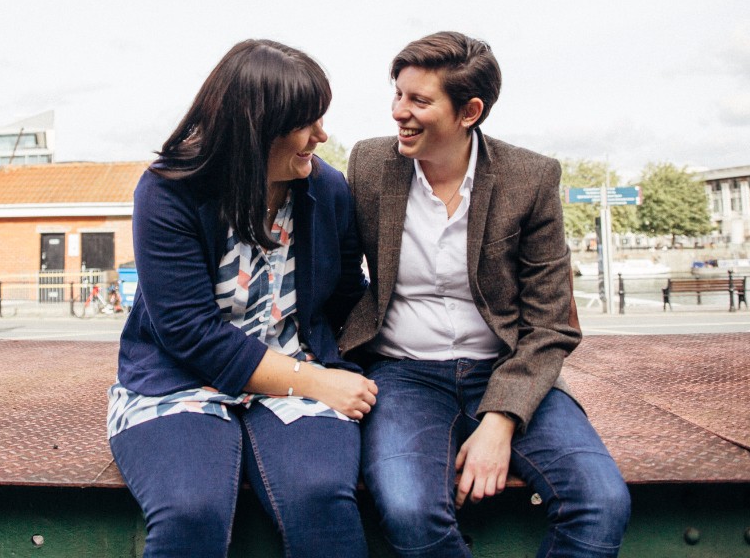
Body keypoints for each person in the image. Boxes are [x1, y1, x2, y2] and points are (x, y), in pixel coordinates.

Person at [339, 32, 631, 558]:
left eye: (419, 101)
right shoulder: (367, 165)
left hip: (506, 366)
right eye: (398, 94)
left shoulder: (530, 177)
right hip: (403, 374)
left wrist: (501, 420)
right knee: (408, 511)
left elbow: (551, 322)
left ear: (469, 111)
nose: (398, 112)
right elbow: (337, 276)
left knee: (602, 504)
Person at [107, 39, 375, 558]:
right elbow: (187, 332)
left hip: (301, 369)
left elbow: (348, 297)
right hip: (181, 379)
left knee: (322, 501)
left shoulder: (327, 190)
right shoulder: (168, 191)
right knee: (191, 511)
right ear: (255, 129)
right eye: (306, 123)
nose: (322, 136)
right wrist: (318, 382)